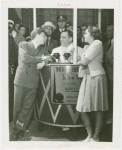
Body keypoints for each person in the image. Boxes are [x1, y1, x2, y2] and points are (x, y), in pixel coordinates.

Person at [13, 27, 52, 139]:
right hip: (21, 80)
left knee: (27, 107)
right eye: (44, 36)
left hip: (33, 82)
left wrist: (44, 62)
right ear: (38, 35)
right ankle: (15, 127)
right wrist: (41, 59)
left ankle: (20, 128)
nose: (45, 39)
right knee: (18, 107)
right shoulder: (24, 44)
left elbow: (50, 57)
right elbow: (25, 58)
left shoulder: (42, 48)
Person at [76, 26, 108, 142]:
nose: (83, 35)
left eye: (86, 33)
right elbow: (81, 60)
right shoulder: (87, 46)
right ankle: (89, 134)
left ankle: (96, 136)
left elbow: (83, 61)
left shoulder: (97, 43)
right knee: (81, 107)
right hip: (87, 77)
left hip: (97, 76)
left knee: (98, 108)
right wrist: (82, 57)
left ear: (92, 34)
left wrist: (82, 58)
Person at [103, 25, 114, 124]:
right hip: (106, 74)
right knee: (108, 95)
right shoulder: (105, 44)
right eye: (106, 31)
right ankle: (109, 115)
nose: (107, 33)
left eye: (109, 31)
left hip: (114, 74)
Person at [8, 20, 18, 122]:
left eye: (11, 27)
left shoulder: (12, 38)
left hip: (11, 69)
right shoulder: (9, 39)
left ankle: (9, 116)